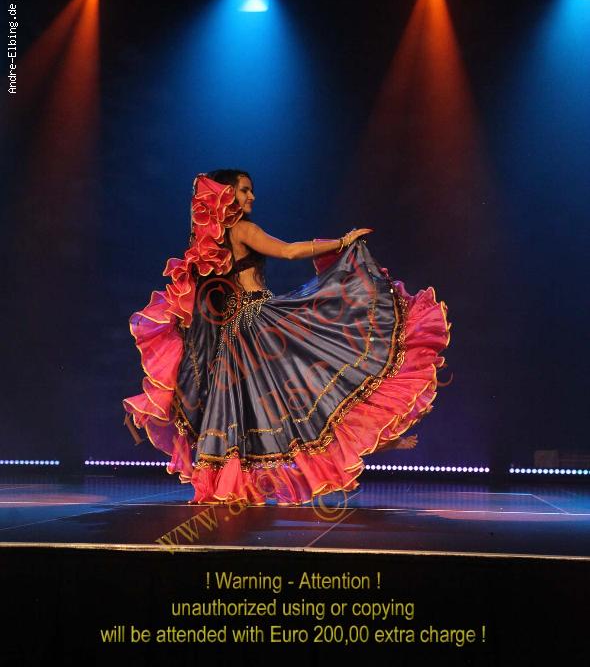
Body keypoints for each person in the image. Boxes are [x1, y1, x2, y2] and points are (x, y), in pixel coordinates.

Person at [122, 169, 451, 505]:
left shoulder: (210, 241)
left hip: (232, 334)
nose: (251, 197)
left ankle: (230, 481)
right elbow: (290, 251)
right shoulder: (243, 229)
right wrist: (342, 242)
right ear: (227, 195)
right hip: (256, 322)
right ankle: (363, 438)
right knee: (311, 371)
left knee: (256, 404)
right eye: (244, 190)